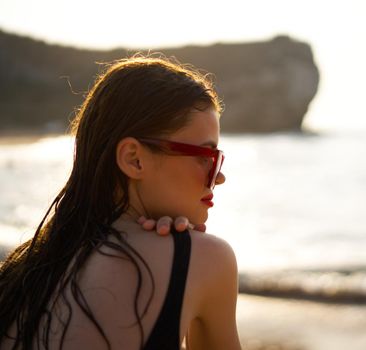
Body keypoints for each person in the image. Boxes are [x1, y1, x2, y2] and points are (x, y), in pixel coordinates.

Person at [0, 56, 242, 349]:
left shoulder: (22, 277)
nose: (219, 176)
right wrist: (184, 254)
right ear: (134, 159)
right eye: (206, 157)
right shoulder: (205, 260)